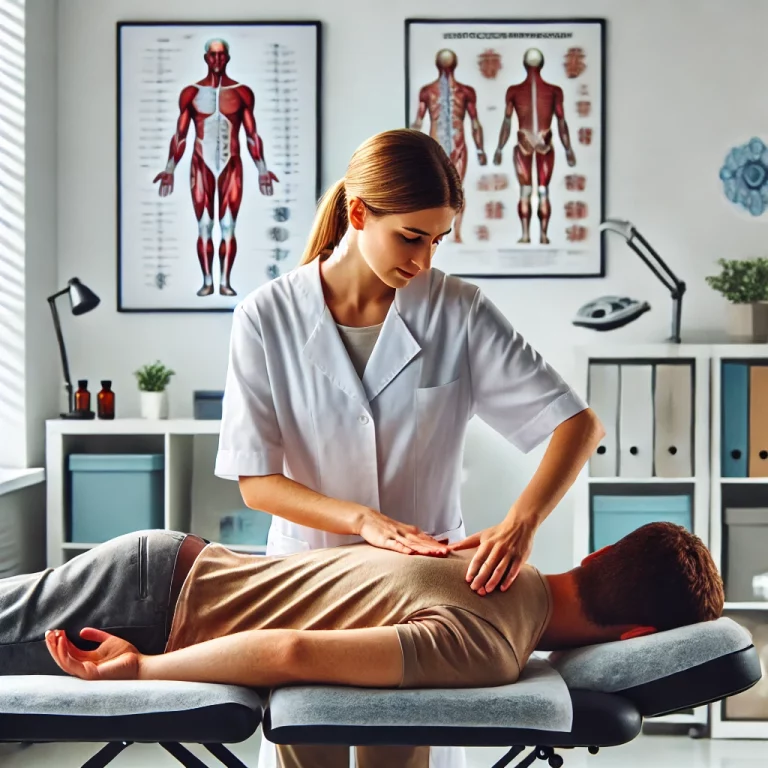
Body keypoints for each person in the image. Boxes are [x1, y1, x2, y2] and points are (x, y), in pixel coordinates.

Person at [214, 128, 605, 768]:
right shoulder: (268, 316)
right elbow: (256, 483)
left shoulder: (458, 310)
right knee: (307, 751)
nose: (423, 261)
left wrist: (520, 523)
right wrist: (361, 520)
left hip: (419, 597)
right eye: (411, 237)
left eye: (437, 240)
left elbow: (577, 425)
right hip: (311, 581)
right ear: (360, 213)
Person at [13, 522, 722, 768]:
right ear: (636, 636)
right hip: (151, 609)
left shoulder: (496, 563)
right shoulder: (491, 646)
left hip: (168, 571)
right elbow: (291, 654)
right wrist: (143, 670)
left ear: (600, 554)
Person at [153, 38, 279, 298]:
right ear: (206, 58)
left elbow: (252, 135)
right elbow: (180, 135)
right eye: (213, 55)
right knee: (204, 225)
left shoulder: (242, 92)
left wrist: (263, 169)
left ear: (228, 58)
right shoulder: (191, 93)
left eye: (222, 55)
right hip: (201, 165)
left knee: (229, 226)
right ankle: (208, 281)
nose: (218, 60)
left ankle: (225, 282)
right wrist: (169, 168)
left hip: (231, 164)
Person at [492, 48, 577, 245]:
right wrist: (568, 149)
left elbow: (506, 122)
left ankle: (526, 235)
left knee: (526, 191)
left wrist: (499, 148)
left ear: (524, 64)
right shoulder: (554, 91)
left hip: (523, 145)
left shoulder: (514, 91)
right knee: (542, 191)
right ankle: (543, 235)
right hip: (545, 145)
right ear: (542, 65)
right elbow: (562, 122)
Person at [411, 49, 487, 243]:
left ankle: (454, 233)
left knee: (450, 190)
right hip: (442, 146)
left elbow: (417, 123)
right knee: (452, 190)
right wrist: (480, 150)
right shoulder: (436, 91)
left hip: (446, 146)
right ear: (455, 65)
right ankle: (450, 234)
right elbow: (476, 123)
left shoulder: (435, 91)